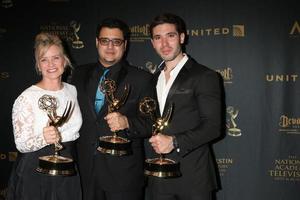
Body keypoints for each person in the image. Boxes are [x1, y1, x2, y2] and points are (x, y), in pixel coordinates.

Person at [71, 18, 153, 200]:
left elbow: (151, 124)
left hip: (123, 175)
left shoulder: (142, 79)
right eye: (104, 41)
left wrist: (127, 122)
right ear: (96, 42)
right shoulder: (77, 74)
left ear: (125, 45)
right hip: (84, 171)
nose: (110, 47)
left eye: (116, 42)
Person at [147, 13, 223, 200]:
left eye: (170, 36)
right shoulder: (152, 79)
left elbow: (213, 127)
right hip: (158, 179)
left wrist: (174, 142)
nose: (164, 44)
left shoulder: (204, 76)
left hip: (192, 178)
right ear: (152, 42)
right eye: (158, 38)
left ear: (182, 37)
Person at [6, 32, 83, 200]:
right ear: (38, 65)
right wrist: (44, 137)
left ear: (65, 60)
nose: (51, 64)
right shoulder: (27, 97)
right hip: (36, 170)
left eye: (55, 58)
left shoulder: (72, 91)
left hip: (68, 165)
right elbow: (21, 144)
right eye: (44, 59)